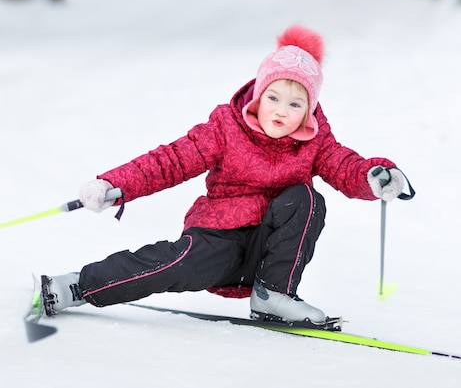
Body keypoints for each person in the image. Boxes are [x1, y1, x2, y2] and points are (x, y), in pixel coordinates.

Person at [41, 25, 408, 324]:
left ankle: (273, 296)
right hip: (220, 239)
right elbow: (170, 161)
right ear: (258, 94)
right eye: (274, 98)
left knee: (307, 199)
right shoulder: (225, 127)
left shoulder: (315, 140)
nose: (282, 111)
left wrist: (376, 176)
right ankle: (75, 286)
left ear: (309, 110)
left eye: (296, 104)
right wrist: (116, 184)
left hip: (268, 249)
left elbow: (346, 166)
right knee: (169, 264)